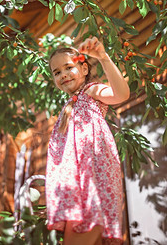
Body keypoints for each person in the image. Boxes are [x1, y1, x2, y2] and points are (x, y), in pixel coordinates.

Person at [45, 36, 130, 245]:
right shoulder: (66, 107)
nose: (63, 74)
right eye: (57, 72)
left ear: (84, 69)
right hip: (76, 185)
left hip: (94, 175)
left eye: (68, 67)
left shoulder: (90, 91)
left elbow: (121, 94)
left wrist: (102, 57)